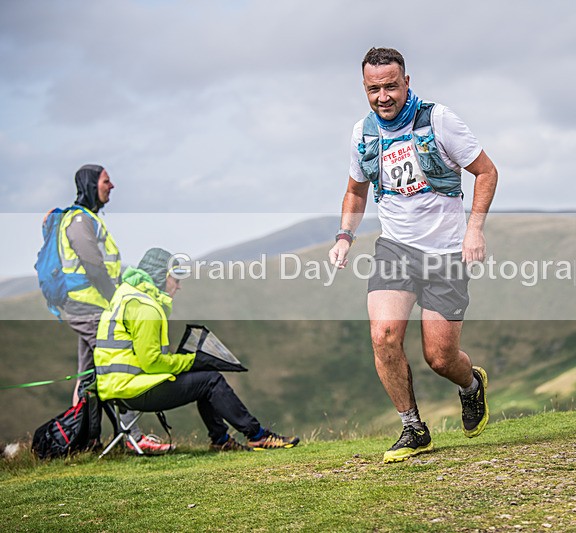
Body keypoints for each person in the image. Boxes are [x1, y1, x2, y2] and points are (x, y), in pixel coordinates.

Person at [329, 47, 499, 463]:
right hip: (396, 248)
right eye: (373, 89)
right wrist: (345, 236)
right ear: (364, 88)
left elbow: (486, 172)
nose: (383, 96)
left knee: (439, 357)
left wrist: (473, 230)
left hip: (445, 252)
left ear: (407, 82)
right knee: (383, 336)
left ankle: (471, 385)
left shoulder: (439, 120)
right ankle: (412, 428)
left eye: (390, 86)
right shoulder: (363, 132)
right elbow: (356, 190)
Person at [93, 247, 300, 451]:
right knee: (211, 380)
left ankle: (221, 440)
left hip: (117, 387)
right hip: (132, 389)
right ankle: (257, 436)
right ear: (162, 277)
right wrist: (191, 360)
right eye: (176, 279)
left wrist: (187, 363)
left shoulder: (126, 296)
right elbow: (152, 362)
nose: (179, 286)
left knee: (204, 379)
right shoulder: (146, 307)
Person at [59, 164, 171, 454]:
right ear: (90, 185)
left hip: (91, 308)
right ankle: (132, 436)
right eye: (106, 181)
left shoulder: (90, 219)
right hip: (88, 308)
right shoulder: (79, 221)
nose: (112, 186)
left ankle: (80, 441)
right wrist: (116, 298)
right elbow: (94, 266)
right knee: (125, 359)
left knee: (87, 375)